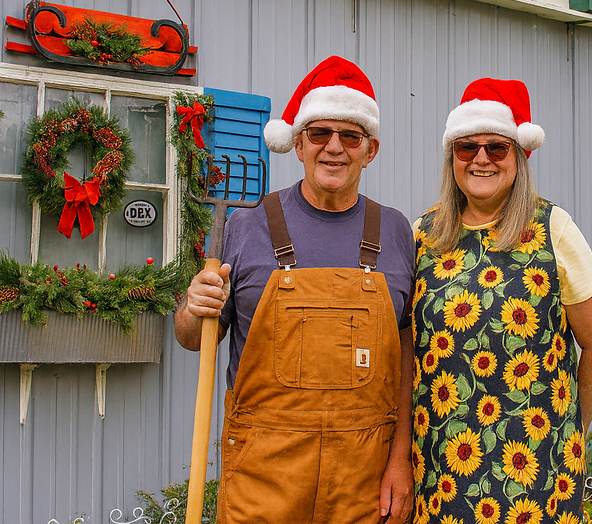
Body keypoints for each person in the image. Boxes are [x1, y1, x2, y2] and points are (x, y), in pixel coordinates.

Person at [174, 56, 415, 524]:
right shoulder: (246, 227)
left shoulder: (396, 231)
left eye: (351, 136)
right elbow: (193, 337)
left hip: (363, 477)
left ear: (371, 149)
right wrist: (192, 305)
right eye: (320, 133)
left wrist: (400, 458)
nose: (334, 148)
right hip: (265, 474)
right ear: (299, 144)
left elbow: (405, 349)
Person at [410, 78, 592, 524]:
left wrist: (570, 430)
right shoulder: (423, 235)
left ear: (519, 157)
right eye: (467, 147)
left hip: (539, 477)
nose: (481, 158)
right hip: (440, 474)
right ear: (452, 158)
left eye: (497, 147)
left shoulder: (553, 229)